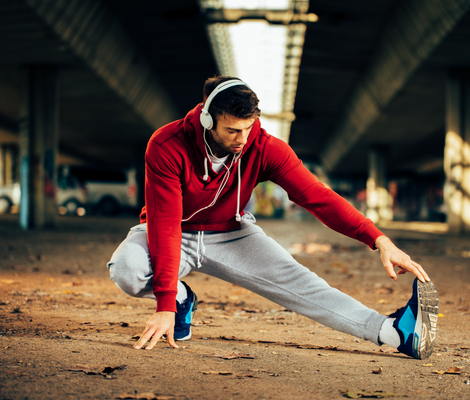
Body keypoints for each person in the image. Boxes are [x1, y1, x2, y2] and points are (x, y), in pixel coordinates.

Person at [107, 76, 439, 359]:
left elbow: (317, 197)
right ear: (207, 120)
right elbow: (165, 227)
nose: (242, 140)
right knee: (127, 269)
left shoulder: (264, 147)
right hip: (171, 230)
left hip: (230, 233)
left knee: (300, 282)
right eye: (233, 130)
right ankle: (182, 299)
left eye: (248, 128)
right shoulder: (166, 145)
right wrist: (165, 302)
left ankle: (396, 332)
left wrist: (378, 238)